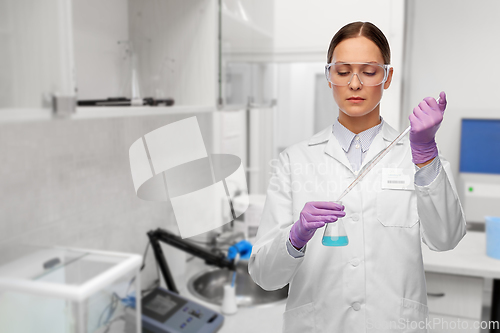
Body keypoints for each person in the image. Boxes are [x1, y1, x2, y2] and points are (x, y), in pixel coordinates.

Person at [248, 21, 466, 333]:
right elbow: (266, 277)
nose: (354, 83)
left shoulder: (417, 155)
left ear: (387, 77)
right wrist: (295, 237)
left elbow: (446, 238)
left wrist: (426, 155)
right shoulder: (293, 161)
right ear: (328, 76)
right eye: (342, 71)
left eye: (369, 71)